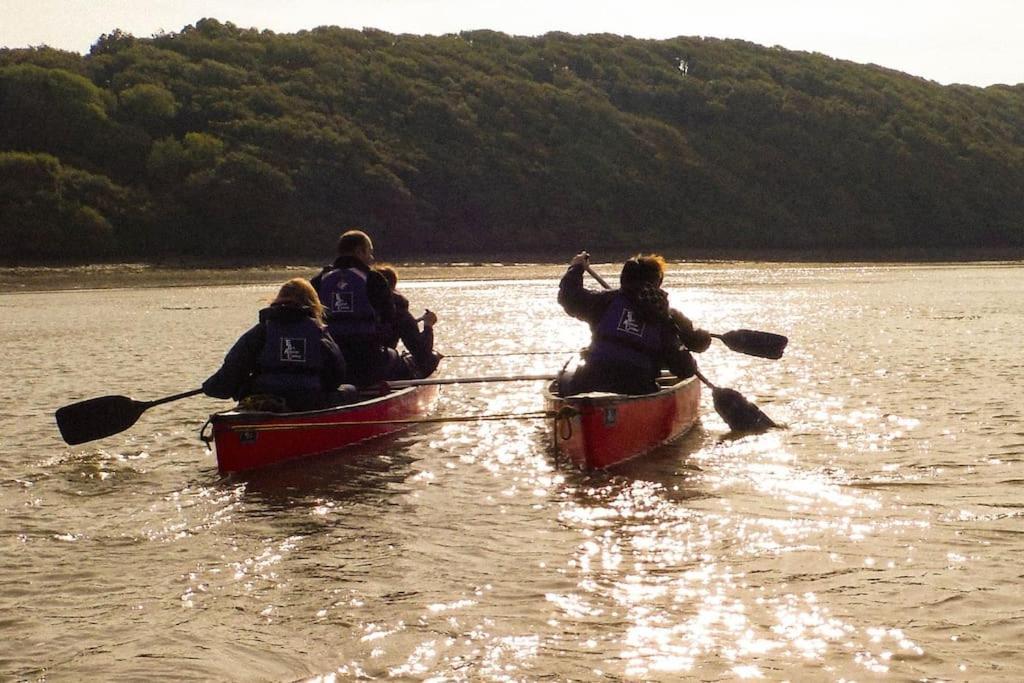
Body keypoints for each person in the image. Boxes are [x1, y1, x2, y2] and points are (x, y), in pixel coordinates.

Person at [556, 251, 712, 396]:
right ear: (657, 282)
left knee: (573, 375)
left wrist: (576, 267)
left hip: (589, 382)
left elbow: (569, 296)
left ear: (624, 279)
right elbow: (684, 369)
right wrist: (691, 356)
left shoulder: (605, 302)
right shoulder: (666, 319)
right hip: (637, 388)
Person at [202, 278, 356, 411]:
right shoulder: (318, 332)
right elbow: (337, 374)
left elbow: (232, 370)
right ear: (313, 305)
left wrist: (211, 387)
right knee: (350, 390)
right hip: (308, 402)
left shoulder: (261, 331)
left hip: (265, 399)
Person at [310, 229, 397, 386]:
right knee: (394, 356)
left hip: (328, 360)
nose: (371, 258)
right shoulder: (374, 279)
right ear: (359, 251)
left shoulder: (318, 281)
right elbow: (389, 318)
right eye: (369, 252)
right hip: (366, 360)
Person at [375, 264, 443, 379]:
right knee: (431, 358)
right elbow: (421, 352)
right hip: (381, 365)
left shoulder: (357, 306)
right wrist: (428, 325)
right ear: (393, 286)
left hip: (353, 365)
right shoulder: (398, 308)